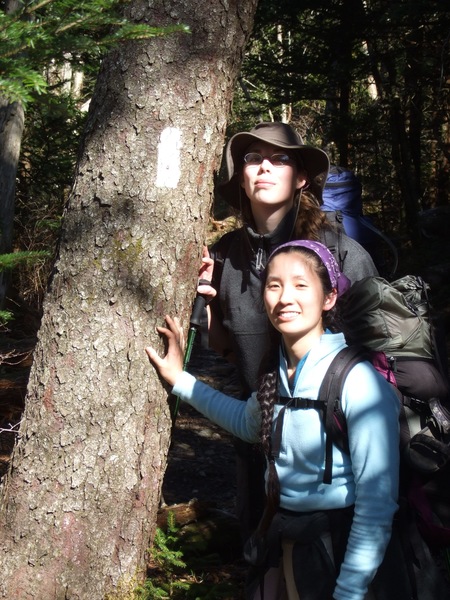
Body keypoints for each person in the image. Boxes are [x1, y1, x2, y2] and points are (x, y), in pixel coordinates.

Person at [146, 240, 400, 600]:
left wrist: (349, 591)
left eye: (300, 285)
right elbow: (247, 423)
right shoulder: (277, 372)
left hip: (336, 553)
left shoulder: (358, 382)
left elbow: (377, 503)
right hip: (284, 545)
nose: (284, 298)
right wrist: (180, 379)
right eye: (274, 285)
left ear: (329, 298)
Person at [197, 122, 379, 533]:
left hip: (336, 458)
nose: (264, 167)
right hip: (258, 441)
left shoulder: (341, 254)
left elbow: (377, 356)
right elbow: (227, 348)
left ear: (301, 179)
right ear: (241, 179)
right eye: (253, 159)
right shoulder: (226, 255)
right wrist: (206, 303)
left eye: (279, 159)